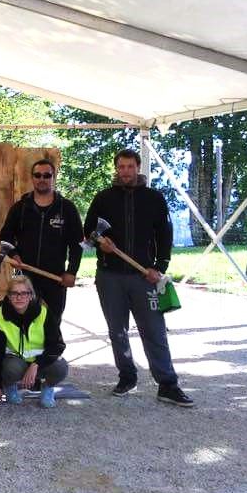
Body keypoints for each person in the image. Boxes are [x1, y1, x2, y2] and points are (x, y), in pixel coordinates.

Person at [83, 148, 193, 407]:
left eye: (130, 166)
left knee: (154, 330)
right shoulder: (103, 198)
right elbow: (89, 231)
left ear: (138, 167)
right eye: (121, 167)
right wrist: (100, 242)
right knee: (117, 331)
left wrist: (160, 266)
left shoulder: (154, 198)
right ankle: (127, 377)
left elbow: (165, 234)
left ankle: (167, 384)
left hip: (144, 276)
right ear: (116, 168)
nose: (125, 171)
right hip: (110, 276)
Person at [0, 159, 83, 331]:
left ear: (54, 177)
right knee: (23, 319)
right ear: (32, 178)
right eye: (38, 175)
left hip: (55, 278)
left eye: (47, 175)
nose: (42, 179)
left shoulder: (66, 208)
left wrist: (72, 271)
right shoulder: (20, 208)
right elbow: (5, 236)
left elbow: (77, 244)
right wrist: (14, 254)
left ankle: (51, 347)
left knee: (52, 322)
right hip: (25, 276)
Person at [0, 275, 68, 409]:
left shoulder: (43, 312)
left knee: (60, 368)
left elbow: (57, 345)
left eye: (24, 293)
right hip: (15, 361)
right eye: (14, 293)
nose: (19, 297)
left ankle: (48, 387)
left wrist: (36, 364)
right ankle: (10, 385)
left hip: (40, 361)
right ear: (8, 296)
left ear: (31, 295)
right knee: (9, 369)